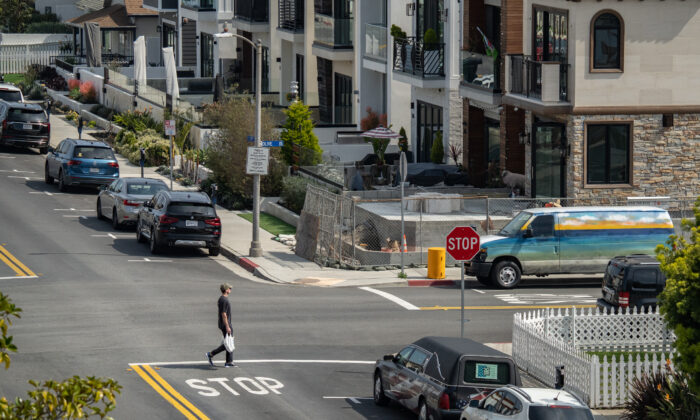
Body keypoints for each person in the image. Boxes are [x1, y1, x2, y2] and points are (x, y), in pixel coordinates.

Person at [206, 283, 237, 368]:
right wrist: (227, 326)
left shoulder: (222, 299)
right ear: (226, 290)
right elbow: (224, 314)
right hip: (225, 324)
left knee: (229, 341)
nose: (230, 289)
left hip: (224, 323)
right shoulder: (224, 300)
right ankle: (211, 354)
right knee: (228, 342)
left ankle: (229, 361)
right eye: (229, 288)